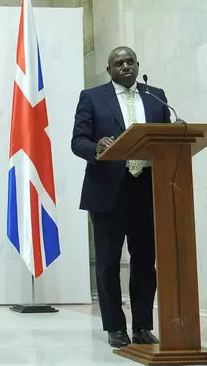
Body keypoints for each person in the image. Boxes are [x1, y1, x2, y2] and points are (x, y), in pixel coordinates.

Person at [71, 46, 170, 348]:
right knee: (107, 262)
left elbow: (166, 139)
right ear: (109, 69)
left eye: (129, 62)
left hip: (146, 189)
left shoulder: (156, 97)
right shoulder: (92, 97)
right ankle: (115, 326)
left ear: (138, 65)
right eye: (118, 63)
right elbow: (78, 141)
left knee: (144, 261)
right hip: (107, 191)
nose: (124, 67)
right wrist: (97, 148)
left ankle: (142, 325)